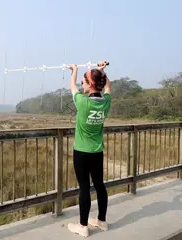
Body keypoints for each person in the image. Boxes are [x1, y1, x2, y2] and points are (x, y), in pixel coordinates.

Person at [67, 60, 111, 237]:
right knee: (99, 185)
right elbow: (107, 87)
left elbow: (71, 85)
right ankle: (102, 221)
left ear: (90, 84)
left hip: (81, 152)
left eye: (83, 82)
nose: (80, 84)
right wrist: (101, 71)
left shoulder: (82, 102)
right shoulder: (106, 103)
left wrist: (74, 69)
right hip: (97, 151)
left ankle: (83, 226)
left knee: (84, 187)